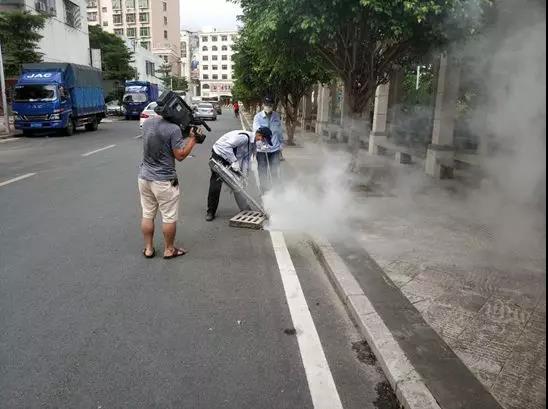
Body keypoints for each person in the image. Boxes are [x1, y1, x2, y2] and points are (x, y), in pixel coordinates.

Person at [138, 116, 202, 259]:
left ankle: (148, 249)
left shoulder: (148, 122)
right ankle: (169, 250)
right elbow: (180, 155)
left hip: (144, 177)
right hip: (164, 180)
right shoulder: (174, 129)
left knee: (147, 214)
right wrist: (193, 140)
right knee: (168, 216)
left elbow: (161, 137)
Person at [206, 127, 273, 221]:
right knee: (216, 183)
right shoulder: (244, 138)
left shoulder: (253, 145)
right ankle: (210, 211)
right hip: (220, 154)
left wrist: (244, 175)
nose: (263, 143)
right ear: (259, 135)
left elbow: (246, 159)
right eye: (263, 140)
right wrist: (233, 161)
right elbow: (225, 146)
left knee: (239, 184)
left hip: (231, 158)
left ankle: (244, 208)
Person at [252, 96, 284, 192]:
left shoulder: (276, 116)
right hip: (262, 150)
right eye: (267, 104)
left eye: (270, 105)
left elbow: (279, 131)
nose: (268, 106)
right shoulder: (258, 117)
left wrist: (281, 144)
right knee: (262, 171)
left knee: (274, 171)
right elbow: (257, 130)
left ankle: (275, 191)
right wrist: (261, 142)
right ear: (263, 105)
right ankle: (264, 191)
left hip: (274, 149)